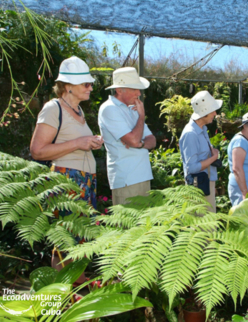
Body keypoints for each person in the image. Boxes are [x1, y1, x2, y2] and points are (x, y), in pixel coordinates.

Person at [30, 56, 103, 279]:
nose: (91, 88)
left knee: (79, 240)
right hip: (67, 181)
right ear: (69, 87)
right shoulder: (53, 109)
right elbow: (37, 151)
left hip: (85, 181)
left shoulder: (79, 111)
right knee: (66, 242)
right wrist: (79, 143)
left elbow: (76, 144)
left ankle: (73, 288)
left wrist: (91, 143)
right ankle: (65, 294)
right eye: (86, 84)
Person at [98, 67, 156, 205]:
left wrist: (139, 143)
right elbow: (134, 140)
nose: (139, 93)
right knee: (129, 225)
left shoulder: (132, 109)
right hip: (127, 179)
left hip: (142, 176)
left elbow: (152, 141)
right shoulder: (109, 108)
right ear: (119, 90)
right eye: (134, 89)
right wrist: (141, 117)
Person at [179, 91, 221, 213]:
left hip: (206, 184)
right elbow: (192, 167)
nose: (215, 113)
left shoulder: (202, 128)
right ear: (204, 112)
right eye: (212, 110)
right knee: (204, 228)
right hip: (199, 188)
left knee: (209, 227)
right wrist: (214, 157)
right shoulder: (190, 134)